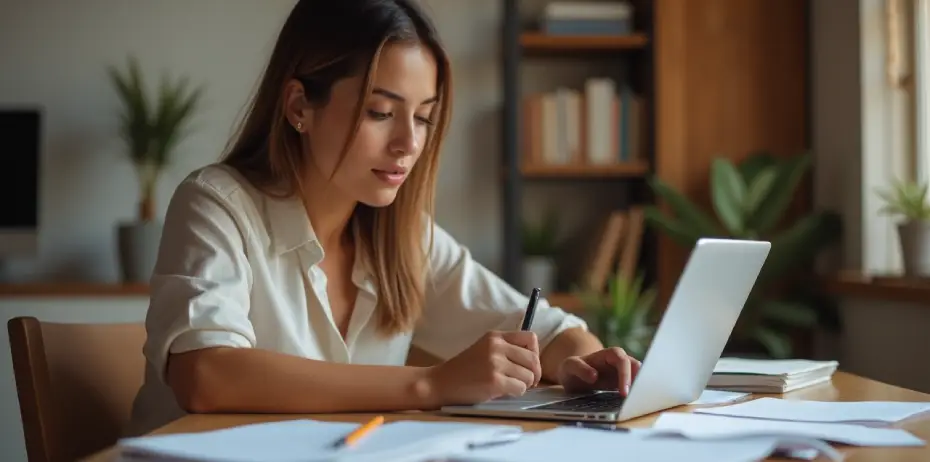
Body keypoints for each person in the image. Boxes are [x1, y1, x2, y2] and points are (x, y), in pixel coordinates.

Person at [127, 0, 641, 436]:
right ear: (299, 105)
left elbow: (548, 330)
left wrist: (583, 361)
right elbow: (207, 375)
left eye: (423, 117)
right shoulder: (216, 205)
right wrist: (430, 384)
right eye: (380, 112)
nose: (409, 144)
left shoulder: (403, 236)